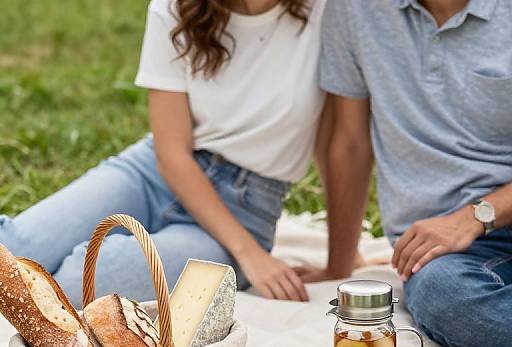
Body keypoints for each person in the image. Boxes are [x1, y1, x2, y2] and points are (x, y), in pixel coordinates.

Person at [0, 0, 359, 308]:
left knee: (74, 286)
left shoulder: (330, 12)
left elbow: (345, 146)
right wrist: (251, 256)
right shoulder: (177, 7)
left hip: (244, 210)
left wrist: (339, 264)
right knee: (14, 252)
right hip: (152, 175)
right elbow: (172, 153)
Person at [297, 0, 512, 347]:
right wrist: (339, 265)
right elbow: (351, 145)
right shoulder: (354, 10)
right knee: (446, 295)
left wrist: (474, 217)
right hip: (445, 251)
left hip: (490, 214)